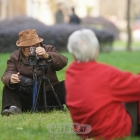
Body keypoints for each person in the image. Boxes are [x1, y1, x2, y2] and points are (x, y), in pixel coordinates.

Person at [65, 29, 140, 140]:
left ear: (72, 52)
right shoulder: (105, 73)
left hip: (85, 131)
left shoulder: (70, 73)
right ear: (96, 50)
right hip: (112, 131)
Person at [1, 29, 68, 116]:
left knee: (67, 84)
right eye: (26, 47)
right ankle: (12, 108)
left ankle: (75, 105)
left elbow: (63, 62)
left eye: (32, 46)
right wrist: (11, 78)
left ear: (38, 44)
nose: (29, 49)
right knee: (8, 87)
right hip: (29, 95)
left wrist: (47, 55)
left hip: (50, 92)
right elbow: (8, 73)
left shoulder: (48, 49)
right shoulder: (15, 56)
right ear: (21, 47)